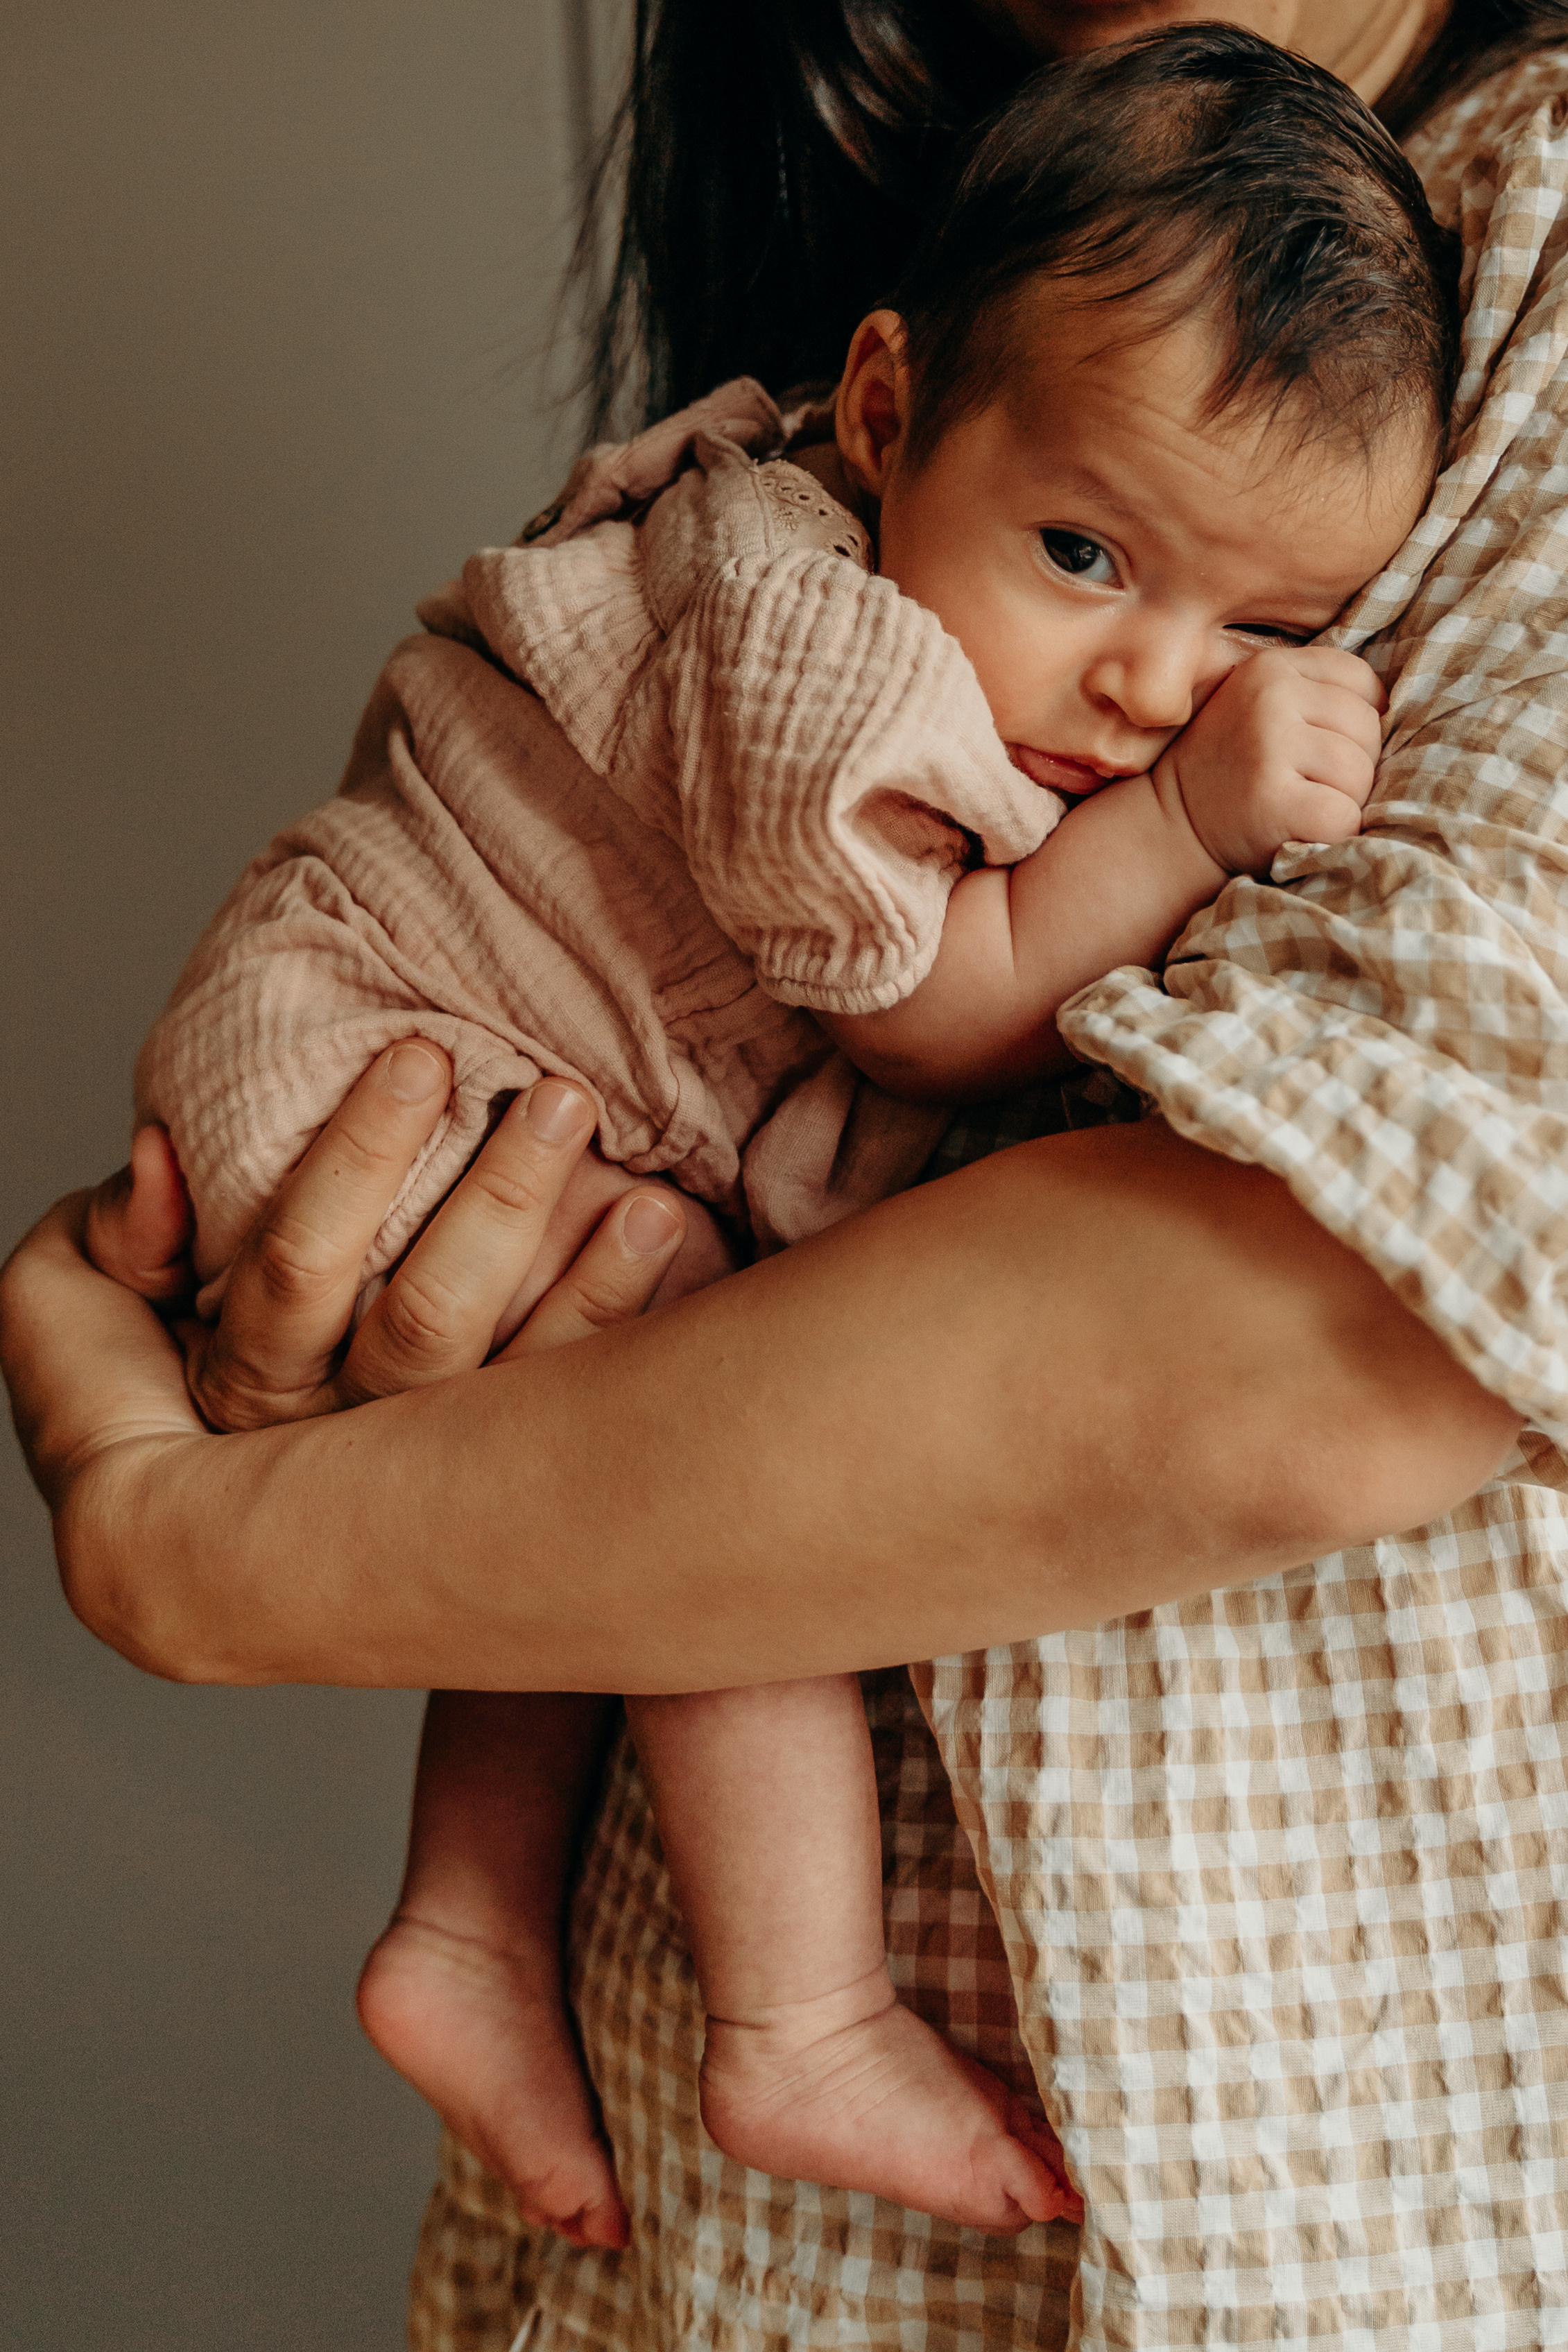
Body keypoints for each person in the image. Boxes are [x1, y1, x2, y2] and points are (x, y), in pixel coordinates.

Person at [6, 1, 1568, 2345]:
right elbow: (934, 1010)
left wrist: (204, 1551)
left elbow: (1332, 1326)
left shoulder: (1393, 250)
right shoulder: (826, 633)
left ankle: (465, 1929)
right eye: (1088, 558)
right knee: (682, 1366)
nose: (1158, 682)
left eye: (1262, 632)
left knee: (641, 1393)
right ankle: (797, 2014)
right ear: (881, 412)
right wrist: (1189, 818)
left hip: (416, 1064)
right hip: (399, 1060)